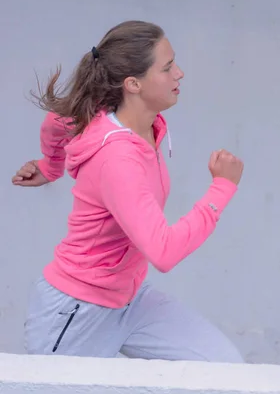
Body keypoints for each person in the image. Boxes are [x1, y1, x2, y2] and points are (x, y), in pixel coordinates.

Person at [10, 20, 245, 362]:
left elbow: (57, 122)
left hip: (128, 300)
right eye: (167, 68)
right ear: (133, 84)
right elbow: (163, 251)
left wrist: (51, 166)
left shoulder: (126, 120)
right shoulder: (116, 158)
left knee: (223, 367)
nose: (179, 73)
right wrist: (221, 188)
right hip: (76, 313)